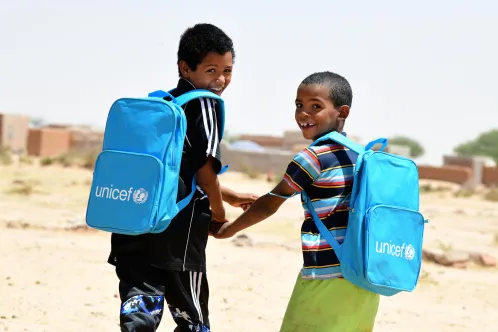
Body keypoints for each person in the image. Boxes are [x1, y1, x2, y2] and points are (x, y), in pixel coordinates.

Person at [108, 23, 258, 332]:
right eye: (212, 70)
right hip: (179, 233)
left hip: (136, 221)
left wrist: (229, 195)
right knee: (192, 316)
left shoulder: (162, 105)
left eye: (227, 71)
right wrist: (218, 212)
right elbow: (204, 169)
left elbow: (175, 170)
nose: (220, 80)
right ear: (185, 68)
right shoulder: (205, 103)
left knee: (140, 309)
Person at [214, 71, 380, 331]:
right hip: (365, 277)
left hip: (326, 276)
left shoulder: (314, 156)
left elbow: (271, 202)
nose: (304, 114)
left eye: (316, 106)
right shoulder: (362, 157)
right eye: (299, 105)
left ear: (342, 112)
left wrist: (227, 230)